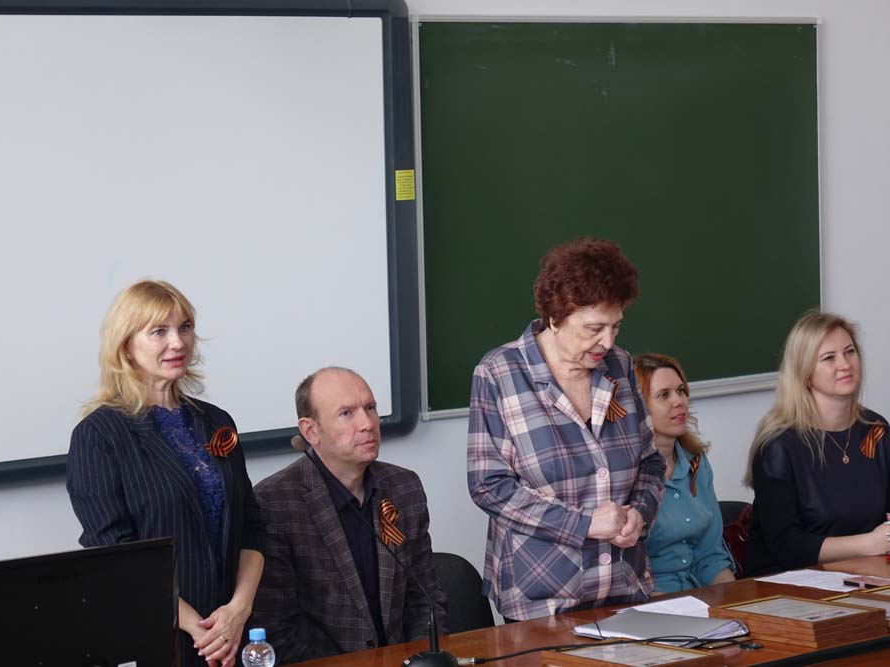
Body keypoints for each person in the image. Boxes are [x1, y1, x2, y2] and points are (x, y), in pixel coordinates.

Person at [67, 280, 265, 667]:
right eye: (159, 331)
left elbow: (252, 528)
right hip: (160, 637)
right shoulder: (98, 434)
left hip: (236, 633)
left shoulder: (216, 422)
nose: (178, 342)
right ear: (125, 345)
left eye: (184, 328)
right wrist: (202, 631)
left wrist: (238, 611)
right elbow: (116, 555)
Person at [467, 238, 665, 622]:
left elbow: (650, 463)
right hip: (541, 600)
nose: (608, 341)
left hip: (623, 588)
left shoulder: (620, 366)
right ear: (556, 317)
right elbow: (490, 487)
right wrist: (585, 525)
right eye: (594, 328)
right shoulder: (499, 373)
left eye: (616, 326)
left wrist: (640, 515)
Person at [250, 367, 447, 664]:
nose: (367, 424)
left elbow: (426, 601)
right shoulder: (274, 504)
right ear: (310, 431)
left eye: (370, 408)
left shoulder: (404, 487)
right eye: (346, 413)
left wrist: (419, 661)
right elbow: (277, 630)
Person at [744, 311, 890, 575]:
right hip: (788, 583)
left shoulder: (876, 430)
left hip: (864, 575)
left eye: (850, 352)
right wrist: (869, 544)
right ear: (806, 373)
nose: (845, 364)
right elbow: (787, 545)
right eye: (829, 358)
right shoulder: (778, 445)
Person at [633, 353, 735, 592]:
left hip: (698, 595)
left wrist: (738, 604)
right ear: (637, 407)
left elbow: (711, 556)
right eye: (663, 395)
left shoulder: (696, 461)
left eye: (680, 391)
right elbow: (627, 575)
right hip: (651, 600)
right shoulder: (623, 473)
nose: (679, 401)